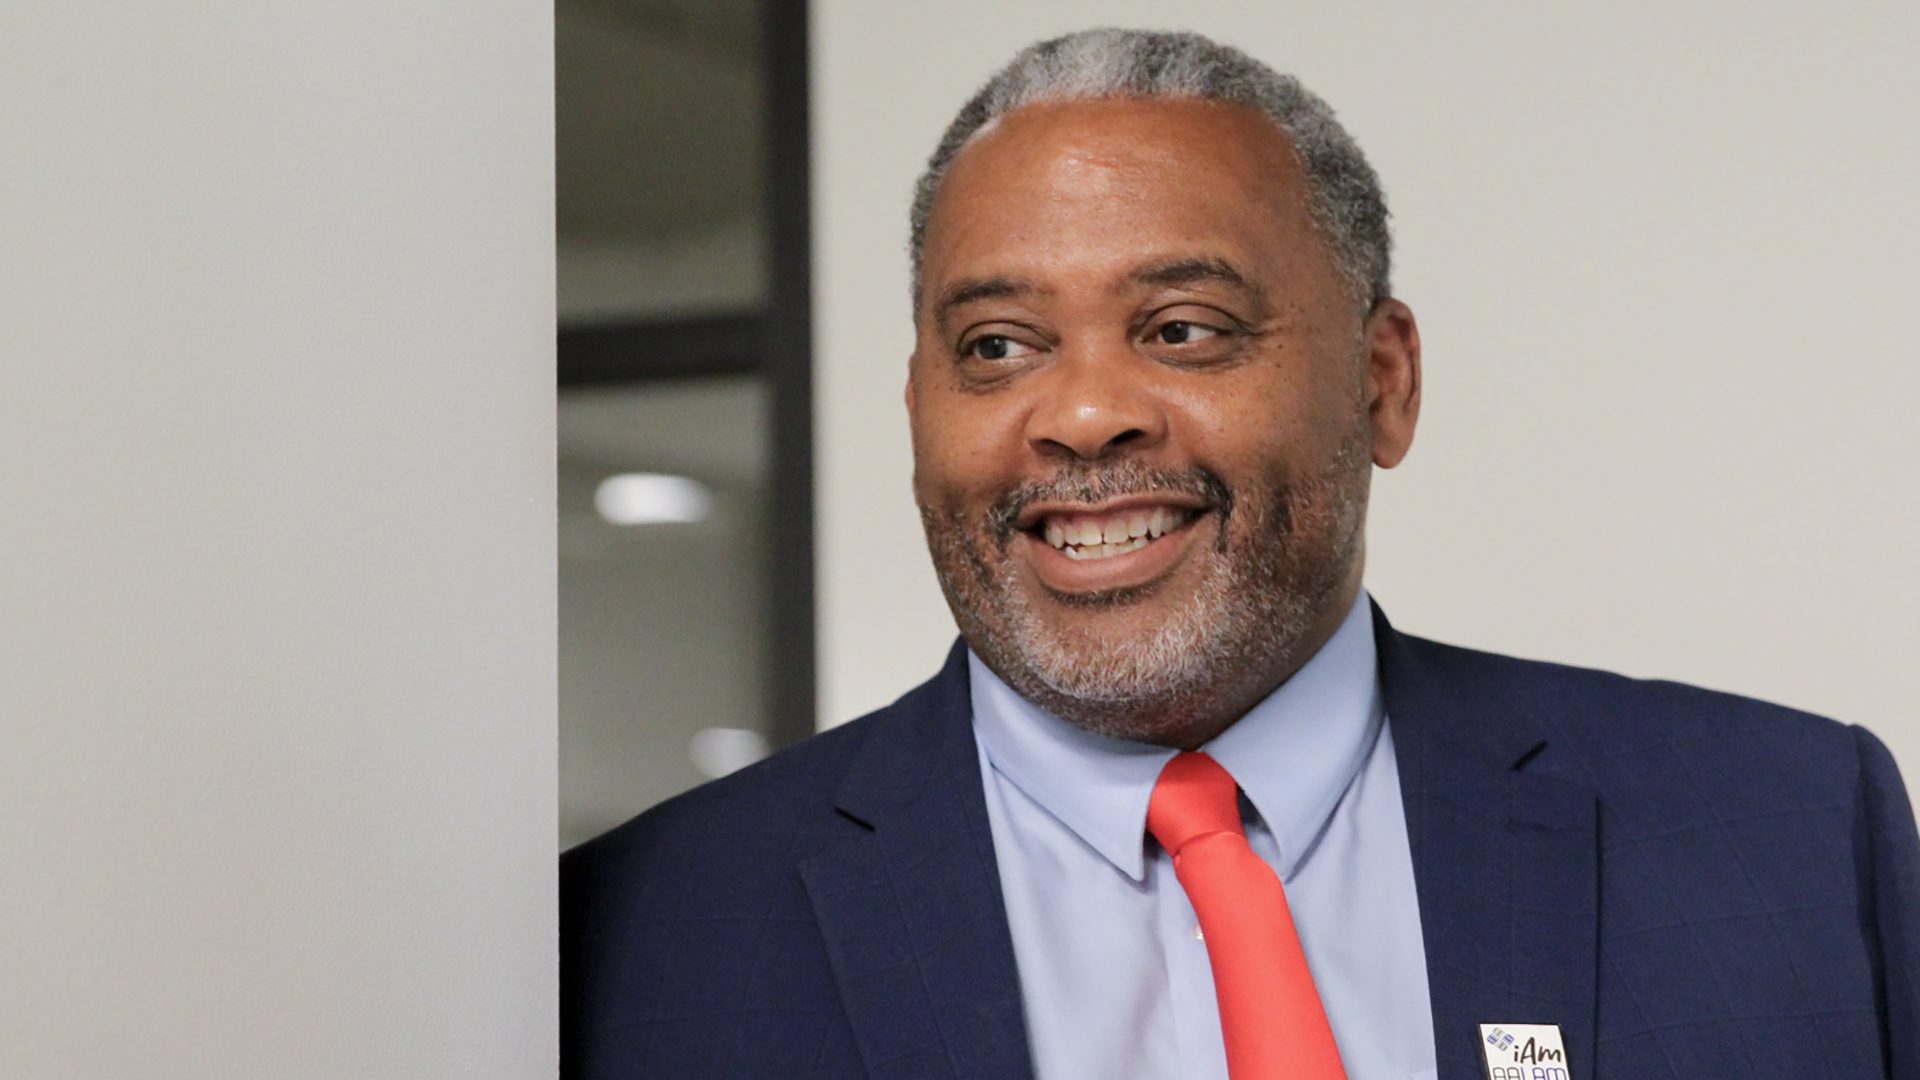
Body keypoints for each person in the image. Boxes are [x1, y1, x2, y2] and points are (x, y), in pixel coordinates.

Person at [560, 28, 1919, 1080]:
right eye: (997, 347)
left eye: (1184, 329)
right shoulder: (632, 943)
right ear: (917, 405)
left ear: (1382, 383)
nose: (1085, 413)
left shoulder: (1791, 836)